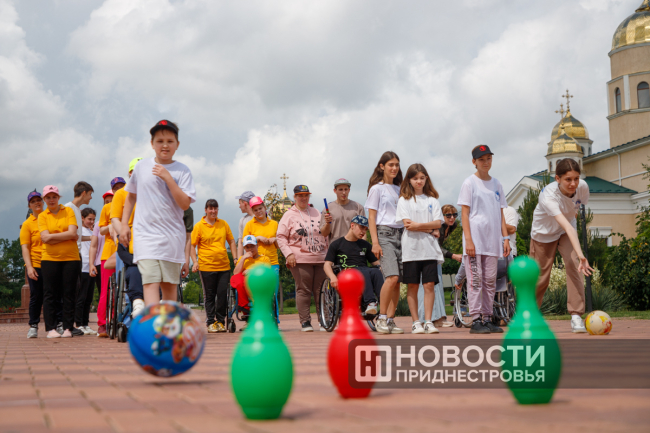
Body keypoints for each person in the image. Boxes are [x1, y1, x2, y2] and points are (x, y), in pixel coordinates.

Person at [119, 120, 196, 306]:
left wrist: (168, 178)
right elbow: (131, 197)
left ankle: (166, 322)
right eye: (160, 141)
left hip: (171, 238)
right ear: (152, 143)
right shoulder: (141, 167)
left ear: (177, 144)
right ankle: (153, 322)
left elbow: (185, 203)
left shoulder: (183, 171)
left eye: (170, 141)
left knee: (168, 286)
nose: (165, 145)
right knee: (150, 282)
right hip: (145, 235)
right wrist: (124, 225)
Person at [530, 158, 593, 333]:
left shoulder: (583, 187)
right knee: (541, 277)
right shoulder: (548, 196)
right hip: (543, 234)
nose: (573, 184)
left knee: (574, 265)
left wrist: (579, 257)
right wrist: (581, 254)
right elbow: (566, 225)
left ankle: (576, 316)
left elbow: (574, 214)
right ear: (557, 179)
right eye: (568, 179)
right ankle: (530, 314)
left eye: (576, 178)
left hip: (566, 231)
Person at [457, 145, 510, 334]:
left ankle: (487, 318)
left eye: (488, 158)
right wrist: (468, 240)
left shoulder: (497, 184)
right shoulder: (469, 183)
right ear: (474, 162)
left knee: (490, 281)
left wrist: (505, 238)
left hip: (492, 242)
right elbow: (464, 214)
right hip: (475, 241)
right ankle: (475, 320)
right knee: (475, 281)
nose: (486, 162)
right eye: (481, 159)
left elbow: (501, 214)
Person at [396, 163, 445, 334]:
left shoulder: (433, 200)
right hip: (411, 249)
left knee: (429, 285)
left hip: (429, 249)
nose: (419, 181)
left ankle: (428, 321)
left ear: (426, 179)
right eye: (415, 178)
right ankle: (416, 322)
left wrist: (419, 226)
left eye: (422, 178)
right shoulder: (403, 200)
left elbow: (438, 223)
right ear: (409, 180)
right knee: (413, 286)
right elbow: (407, 224)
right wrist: (430, 229)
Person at [277, 185, 328, 332]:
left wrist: (329, 255)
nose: (304, 198)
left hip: (320, 258)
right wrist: (288, 254)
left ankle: (324, 320)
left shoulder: (317, 212)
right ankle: (305, 322)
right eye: (300, 195)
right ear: (295, 197)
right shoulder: (288, 215)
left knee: (321, 291)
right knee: (304, 290)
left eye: (306, 195)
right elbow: (280, 236)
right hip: (300, 259)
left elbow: (325, 234)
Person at [365, 151, 404, 334]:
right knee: (391, 277)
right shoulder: (376, 189)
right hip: (384, 233)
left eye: (397, 165)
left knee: (398, 281)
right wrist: (375, 242)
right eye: (391, 165)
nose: (394, 168)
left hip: (402, 234)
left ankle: (390, 319)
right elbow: (371, 217)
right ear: (382, 166)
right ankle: (380, 318)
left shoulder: (400, 188)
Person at [38, 185, 80, 338]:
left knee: (69, 293)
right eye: (48, 197)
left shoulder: (68, 211)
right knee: (50, 293)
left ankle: (68, 328)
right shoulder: (42, 216)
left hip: (71, 258)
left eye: (54, 197)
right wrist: (66, 236)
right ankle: (51, 328)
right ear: (44, 199)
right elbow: (44, 238)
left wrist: (52, 237)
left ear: (58, 197)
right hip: (49, 258)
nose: (51, 200)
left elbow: (73, 233)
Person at [191, 199, 236, 333]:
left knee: (222, 294)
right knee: (209, 295)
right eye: (210, 208)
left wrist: (235, 258)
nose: (213, 211)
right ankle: (211, 322)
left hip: (223, 266)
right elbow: (192, 246)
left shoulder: (223, 224)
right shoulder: (199, 226)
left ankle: (221, 322)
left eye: (215, 208)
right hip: (206, 266)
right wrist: (195, 261)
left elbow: (231, 241)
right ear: (205, 210)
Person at [323, 215, 383, 314]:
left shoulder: (365, 245)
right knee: (363, 271)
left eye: (365, 229)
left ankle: (384, 303)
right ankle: (371, 302)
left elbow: (377, 263)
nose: (363, 232)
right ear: (352, 225)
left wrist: (382, 269)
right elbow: (327, 265)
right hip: (346, 275)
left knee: (376, 271)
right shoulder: (337, 244)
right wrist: (332, 277)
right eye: (361, 228)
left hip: (363, 271)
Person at [110, 161, 147, 316]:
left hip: (149, 237)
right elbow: (115, 218)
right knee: (132, 268)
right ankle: (136, 304)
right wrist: (123, 234)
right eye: (134, 171)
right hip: (128, 237)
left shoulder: (151, 191)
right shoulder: (121, 194)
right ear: (130, 173)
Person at [418, 204, 461, 327]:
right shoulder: (439, 226)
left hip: (435, 257)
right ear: (442, 216)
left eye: (454, 215)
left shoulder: (451, 226)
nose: (452, 218)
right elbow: (435, 246)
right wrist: (453, 255)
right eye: (448, 215)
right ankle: (430, 319)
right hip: (426, 256)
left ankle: (439, 318)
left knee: (438, 287)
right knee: (430, 288)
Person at [243, 196, 280, 322]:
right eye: (255, 210)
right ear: (252, 211)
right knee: (256, 292)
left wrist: (275, 240)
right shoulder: (249, 225)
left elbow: (280, 245)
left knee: (272, 292)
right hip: (255, 263)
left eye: (260, 208)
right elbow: (245, 244)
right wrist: (257, 238)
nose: (258, 211)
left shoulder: (274, 224)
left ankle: (275, 319)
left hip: (272, 262)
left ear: (265, 207)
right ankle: (258, 317)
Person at [96, 180, 123, 337]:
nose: (119, 190)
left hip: (127, 249)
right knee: (106, 290)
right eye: (116, 188)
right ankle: (102, 324)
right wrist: (111, 225)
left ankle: (120, 320)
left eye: (121, 187)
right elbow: (101, 230)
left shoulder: (129, 204)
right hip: (109, 252)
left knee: (124, 289)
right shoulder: (107, 207)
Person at [20, 190, 44, 338]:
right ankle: (33, 326)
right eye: (33, 201)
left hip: (52, 262)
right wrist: (29, 267)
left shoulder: (49, 218)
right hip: (35, 263)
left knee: (54, 295)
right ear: (29, 205)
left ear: (43, 202)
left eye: (38, 200)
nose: (37, 203)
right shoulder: (27, 224)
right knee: (36, 296)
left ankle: (55, 325)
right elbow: (25, 248)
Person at [320, 178, 366, 243]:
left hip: (354, 246)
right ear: (335, 191)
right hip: (336, 247)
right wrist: (327, 223)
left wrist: (363, 247)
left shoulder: (358, 207)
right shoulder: (328, 209)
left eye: (346, 189)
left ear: (349, 190)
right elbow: (324, 233)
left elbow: (363, 231)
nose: (344, 192)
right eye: (340, 189)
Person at [75, 208, 97, 335]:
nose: (92, 221)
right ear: (82, 218)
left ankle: (85, 323)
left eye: (93, 219)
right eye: (89, 219)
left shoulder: (91, 230)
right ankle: (78, 324)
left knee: (88, 298)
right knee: (81, 297)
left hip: (91, 267)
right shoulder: (80, 230)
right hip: (83, 267)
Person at [63, 181, 94, 252]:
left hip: (76, 252)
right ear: (84, 193)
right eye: (90, 194)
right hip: (69, 252)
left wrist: (93, 237)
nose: (91, 197)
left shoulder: (77, 210)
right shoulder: (68, 208)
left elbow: (77, 236)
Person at [235, 191, 256, 258]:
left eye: (240, 203)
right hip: (248, 260)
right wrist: (239, 260)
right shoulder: (242, 220)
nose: (239, 206)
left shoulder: (261, 218)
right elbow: (240, 242)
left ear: (245, 203)